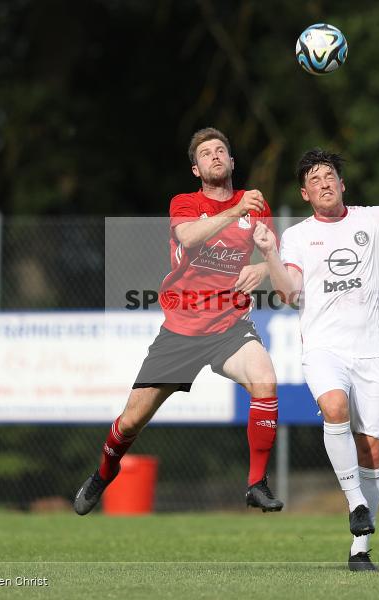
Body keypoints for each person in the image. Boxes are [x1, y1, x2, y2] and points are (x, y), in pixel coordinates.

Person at [253, 148, 379, 571]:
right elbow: (289, 294)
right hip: (324, 348)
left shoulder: (373, 218)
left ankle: (361, 550)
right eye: (315, 179)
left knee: (372, 450)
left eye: (329, 176)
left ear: (342, 184)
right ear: (305, 193)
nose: (324, 182)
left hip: (372, 351)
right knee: (334, 408)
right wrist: (269, 254)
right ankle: (356, 502)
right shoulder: (299, 236)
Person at [74, 127, 283, 515]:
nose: (216, 156)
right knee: (131, 421)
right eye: (206, 153)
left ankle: (256, 483)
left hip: (229, 327)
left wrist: (263, 269)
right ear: (195, 168)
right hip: (181, 331)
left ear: (233, 161)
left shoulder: (255, 203)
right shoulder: (186, 202)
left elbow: (276, 254)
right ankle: (103, 474)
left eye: (222, 150)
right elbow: (188, 238)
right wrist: (235, 211)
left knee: (266, 380)